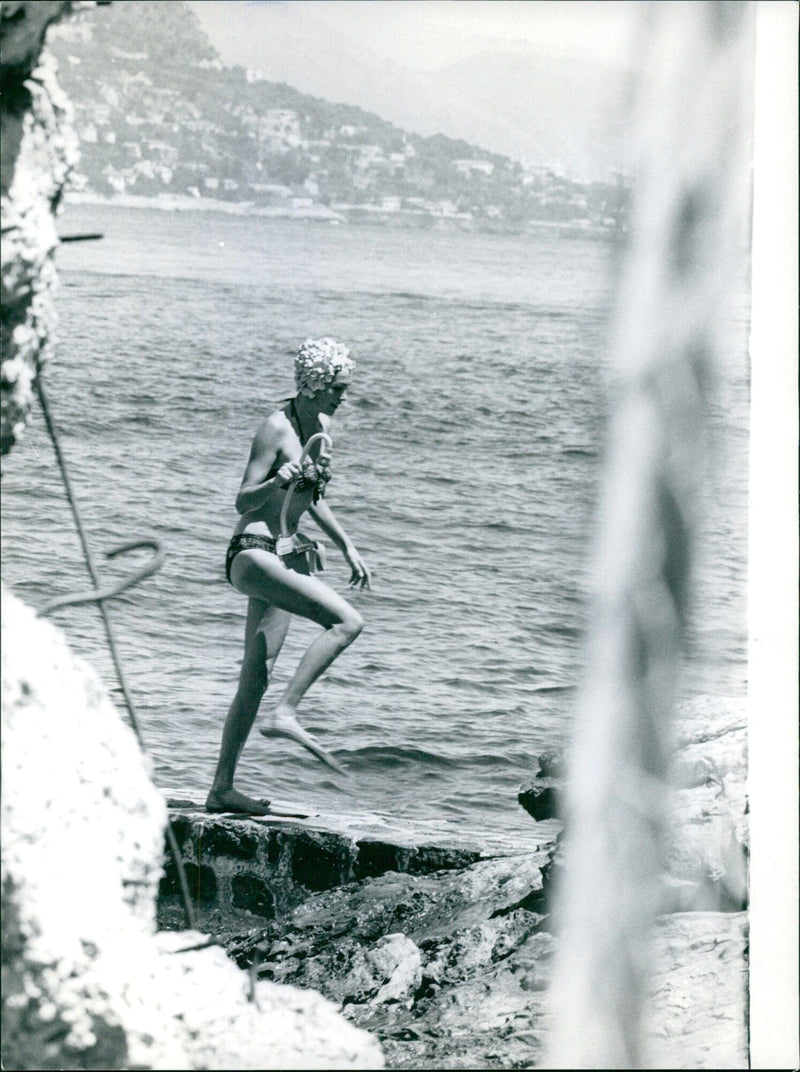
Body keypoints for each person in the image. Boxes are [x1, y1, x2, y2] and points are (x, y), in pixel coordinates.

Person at [206, 338, 371, 815]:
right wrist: (278, 479)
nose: (344, 396)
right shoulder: (276, 427)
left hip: (285, 553)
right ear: (316, 384)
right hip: (254, 551)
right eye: (338, 388)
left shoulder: (320, 426)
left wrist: (346, 544)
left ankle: (221, 789)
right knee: (346, 621)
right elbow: (243, 500)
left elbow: (312, 498)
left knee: (256, 676)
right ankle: (287, 713)